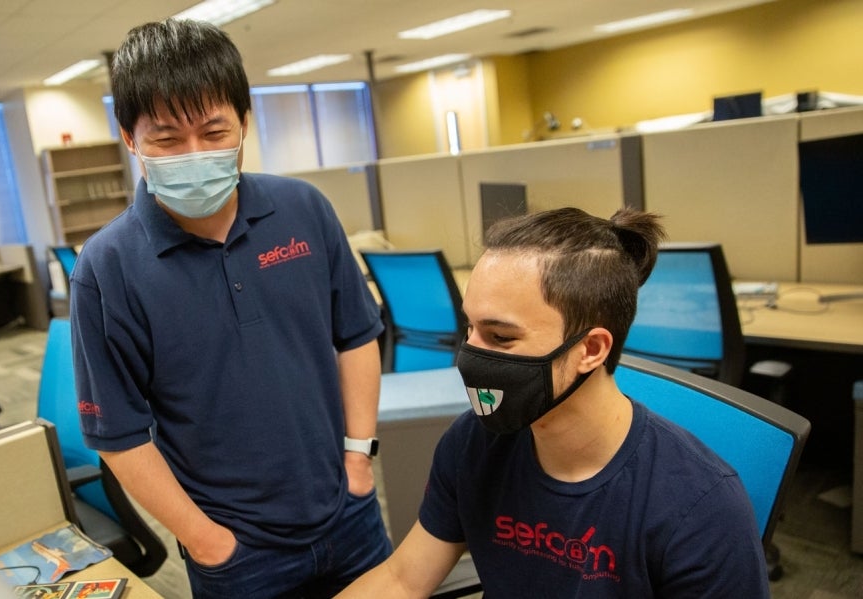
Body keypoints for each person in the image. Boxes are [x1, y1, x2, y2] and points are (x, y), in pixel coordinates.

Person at [68, 18, 391, 598]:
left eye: (214, 131)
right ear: (130, 138)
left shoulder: (305, 210)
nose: (194, 153)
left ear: (244, 122)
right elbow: (117, 433)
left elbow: (356, 337)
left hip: (349, 511)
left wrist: (359, 460)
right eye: (167, 139)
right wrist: (205, 539)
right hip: (237, 551)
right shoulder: (106, 267)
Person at [338, 207, 770, 598]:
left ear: (591, 350)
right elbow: (403, 580)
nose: (469, 355)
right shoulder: (474, 441)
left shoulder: (701, 507)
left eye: (501, 337)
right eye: (469, 329)